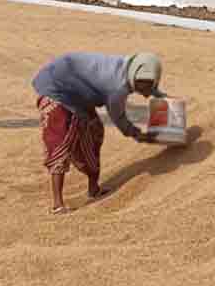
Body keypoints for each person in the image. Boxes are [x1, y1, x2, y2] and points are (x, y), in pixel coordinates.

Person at [32, 52, 166, 214]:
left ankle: (93, 188)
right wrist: (137, 134)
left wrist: (162, 97)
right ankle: (57, 204)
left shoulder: (128, 68)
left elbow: (147, 82)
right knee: (61, 142)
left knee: (95, 133)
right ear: (134, 76)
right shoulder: (116, 88)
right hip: (57, 89)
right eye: (142, 85)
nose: (145, 92)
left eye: (149, 85)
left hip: (78, 92)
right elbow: (118, 118)